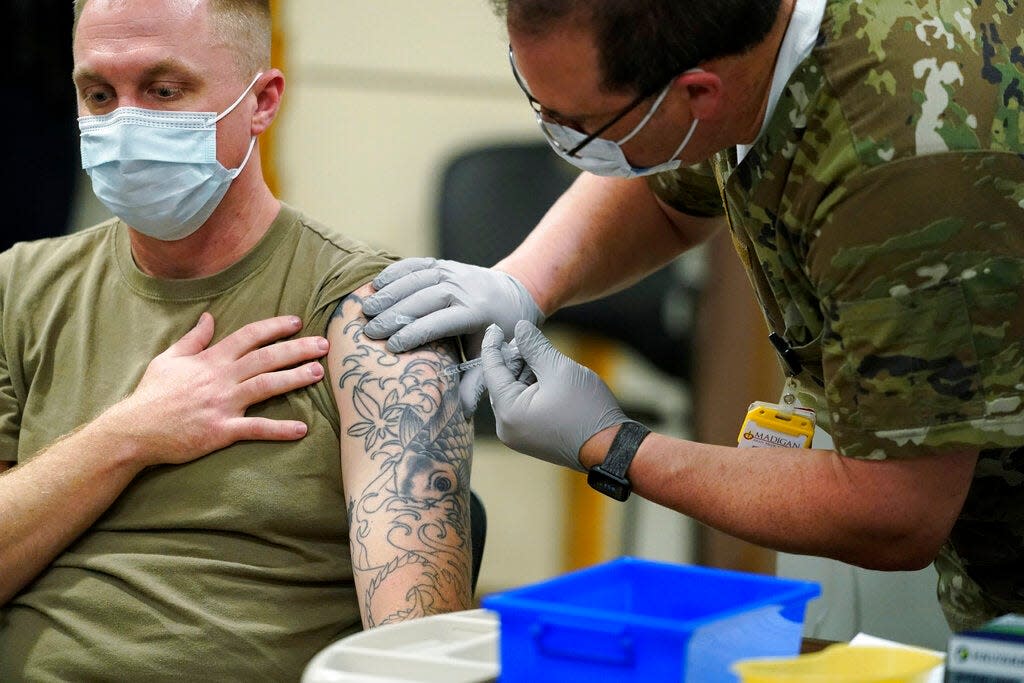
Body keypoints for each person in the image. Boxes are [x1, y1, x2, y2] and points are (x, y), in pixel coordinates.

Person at [360, 0, 1024, 633]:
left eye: (578, 124)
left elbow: (895, 511)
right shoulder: (743, 44)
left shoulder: (902, 169)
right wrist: (520, 283)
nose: (557, 137)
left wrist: (615, 445)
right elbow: (667, 189)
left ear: (700, 92)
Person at [0, 0, 472, 679]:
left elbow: (416, 651)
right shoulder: (19, 288)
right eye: (99, 94)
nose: (126, 124)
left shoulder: (371, 306)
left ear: (262, 101)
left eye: (164, 90)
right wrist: (132, 432)